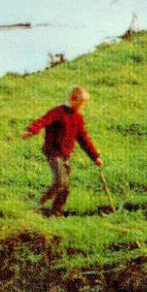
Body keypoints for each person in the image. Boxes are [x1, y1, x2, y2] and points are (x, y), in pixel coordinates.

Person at [22, 85, 102, 216]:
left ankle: (56, 213)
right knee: (60, 181)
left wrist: (94, 156)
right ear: (73, 98)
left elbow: (84, 139)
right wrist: (31, 130)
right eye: (81, 103)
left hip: (65, 155)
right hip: (53, 152)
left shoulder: (78, 118)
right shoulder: (58, 111)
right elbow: (43, 121)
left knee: (65, 187)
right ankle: (38, 204)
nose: (81, 106)